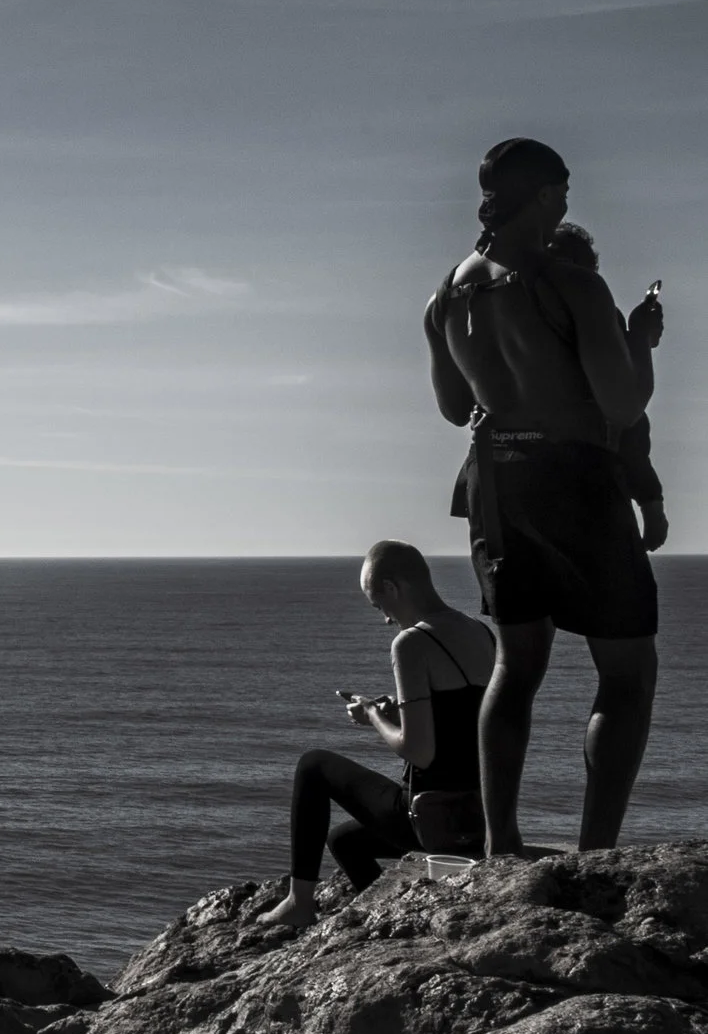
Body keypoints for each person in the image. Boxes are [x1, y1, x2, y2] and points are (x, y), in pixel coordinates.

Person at [424, 138, 665, 856]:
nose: (566, 201)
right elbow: (619, 404)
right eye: (562, 191)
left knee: (516, 663)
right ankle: (595, 857)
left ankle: (503, 844)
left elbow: (450, 405)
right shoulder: (573, 284)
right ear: (546, 196)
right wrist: (639, 341)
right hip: (573, 482)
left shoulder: (445, 297)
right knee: (628, 671)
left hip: (496, 486)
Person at [258, 541, 496, 927]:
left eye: (378, 604)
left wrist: (372, 714)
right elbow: (461, 721)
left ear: (393, 587)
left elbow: (419, 753)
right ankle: (388, 918)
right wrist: (397, 710)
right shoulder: (480, 632)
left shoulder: (412, 642)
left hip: (429, 818)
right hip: (478, 815)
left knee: (314, 765)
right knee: (344, 841)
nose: (385, 618)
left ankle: (299, 902)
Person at [548, 221, 669, 554]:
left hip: (505, 475)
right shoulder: (590, 303)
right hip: (586, 470)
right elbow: (627, 408)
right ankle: (650, 504)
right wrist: (641, 338)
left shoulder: (492, 301)